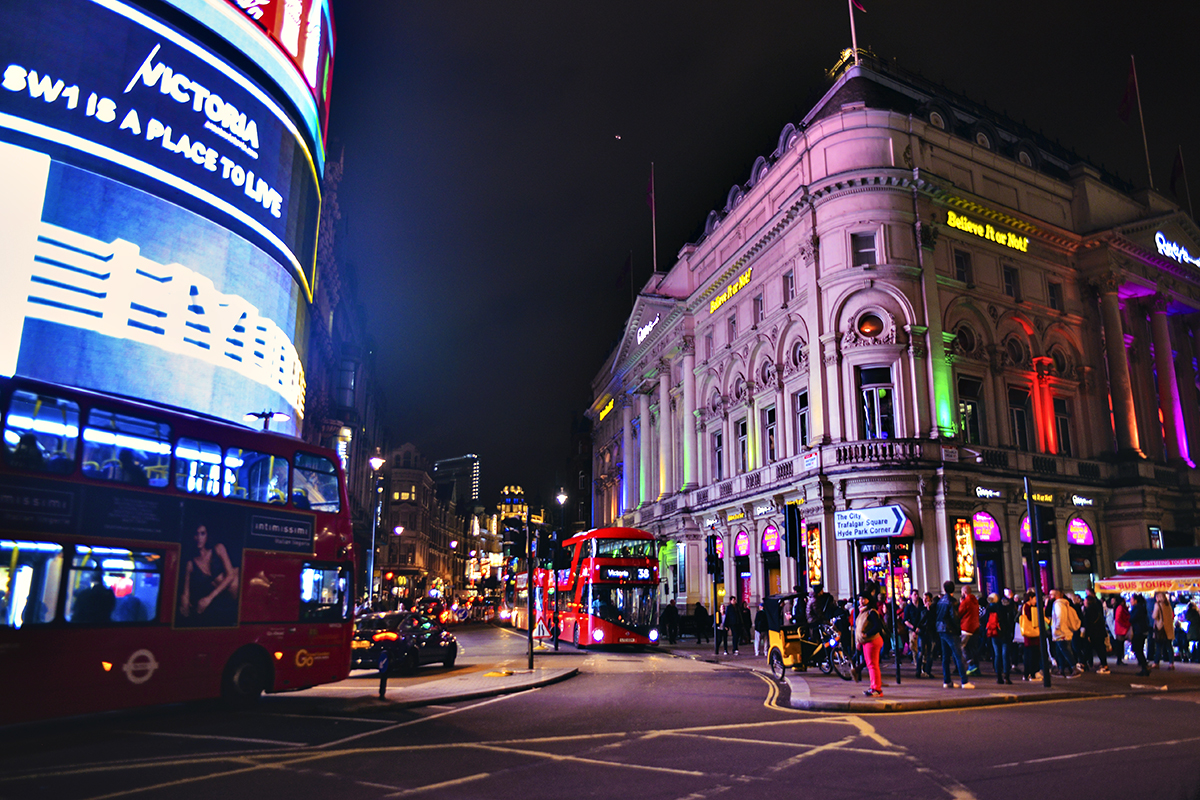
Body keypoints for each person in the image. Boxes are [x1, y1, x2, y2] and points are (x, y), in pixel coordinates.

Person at [179, 523, 239, 625]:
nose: (199, 538)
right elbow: (186, 591)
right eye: (196, 534)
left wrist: (208, 598)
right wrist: (184, 602)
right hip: (224, 602)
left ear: (207, 536)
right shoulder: (191, 564)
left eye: (202, 534)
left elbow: (231, 575)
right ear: (192, 537)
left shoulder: (218, 548)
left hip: (240, 593)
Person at [936, 581, 973, 689]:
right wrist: (958, 629)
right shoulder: (952, 601)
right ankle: (964, 681)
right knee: (958, 656)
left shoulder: (940, 601)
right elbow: (954, 617)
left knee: (945, 657)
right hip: (950, 630)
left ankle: (947, 681)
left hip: (941, 629)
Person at [855, 593, 885, 697]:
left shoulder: (871, 612)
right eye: (860, 598)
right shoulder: (863, 612)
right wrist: (859, 641)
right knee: (871, 665)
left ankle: (877, 689)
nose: (861, 601)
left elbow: (877, 627)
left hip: (872, 641)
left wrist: (866, 634)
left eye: (864, 598)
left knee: (873, 665)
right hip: (866, 642)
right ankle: (874, 687)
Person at [1050, 589, 1083, 677]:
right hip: (1063, 632)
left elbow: (1060, 616)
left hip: (1061, 632)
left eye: (1051, 595)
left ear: (1057, 595)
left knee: (1065, 650)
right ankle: (1061, 669)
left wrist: (1057, 627)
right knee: (1060, 651)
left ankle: (1074, 668)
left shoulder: (1059, 604)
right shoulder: (1064, 603)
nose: (1050, 597)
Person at [984, 592, 1014, 684]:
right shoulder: (1001, 608)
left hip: (994, 634)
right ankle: (1006, 676)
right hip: (1004, 634)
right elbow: (1010, 611)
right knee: (1005, 655)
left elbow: (984, 620)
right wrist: (1011, 599)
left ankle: (998, 676)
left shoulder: (988, 608)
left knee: (997, 655)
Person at [1019, 591, 1048, 681]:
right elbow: (1034, 619)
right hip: (1032, 635)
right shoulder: (1029, 607)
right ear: (1030, 598)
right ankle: (1032, 674)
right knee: (1033, 655)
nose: (1036, 601)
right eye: (1035, 599)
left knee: (1028, 655)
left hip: (1028, 637)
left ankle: (1027, 674)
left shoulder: (1024, 607)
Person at [1082, 589, 1110, 674]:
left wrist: (1088, 634)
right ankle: (1084, 663)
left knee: (1097, 649)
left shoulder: (1089, 611)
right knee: (1097, 648)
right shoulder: (1096, 608)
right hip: (1099, 632)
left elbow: (1089, 623)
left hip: (1095, 633)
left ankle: (1104, 666)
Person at [958, 584, 981, 676]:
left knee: (961, 646)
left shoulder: (966, 601)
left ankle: (971, 664)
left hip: (966, 627)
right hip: (975, 627)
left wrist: (961, 603)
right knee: (973, 648)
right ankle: (976, 668)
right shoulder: (975, 601)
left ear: (964, 592)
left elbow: (959, 613)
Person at [1152, 591, 1177, 670]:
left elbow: (1155, 616)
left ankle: (1156, 663)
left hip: (1161, 628)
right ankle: (1171, 663)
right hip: (1168, 628)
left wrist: (1153, 614)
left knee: (1159, 646)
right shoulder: (1168, 604)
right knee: (1169, 646)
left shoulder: (1158, 605)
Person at [903, 590, 925, 676]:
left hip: (921, 629)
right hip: (912, 629)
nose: (916, 596)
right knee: (913, 646)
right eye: (914, 594)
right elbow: (905, 620)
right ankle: (916, 662)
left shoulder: (921, 605)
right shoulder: (908, 607)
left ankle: (922, 663)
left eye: (917, 594)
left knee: (922, 647)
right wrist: (913, 628)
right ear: (911, 596)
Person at [1130, 593, 1151, 676]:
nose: (1130, 601)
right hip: (1142, 630)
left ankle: (1144, 666)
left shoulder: (1137, 608)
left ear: (1135, 601)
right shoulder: (1141, 607)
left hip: (1139, 630)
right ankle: (1144, 667)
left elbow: (1132, 619)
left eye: (1131, 600)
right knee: (1139, 649)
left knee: (1137, 649)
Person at [1112, 596, 1132, 664]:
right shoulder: (1120, 608)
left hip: (1120, 628)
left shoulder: (1120, 608)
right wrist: (1125, 624)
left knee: (1120, 644)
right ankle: (1119, 659)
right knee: (1120, 644)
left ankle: (1119, 659)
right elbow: (1118, 618)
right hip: (1121, 628)